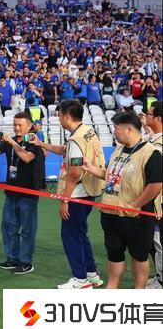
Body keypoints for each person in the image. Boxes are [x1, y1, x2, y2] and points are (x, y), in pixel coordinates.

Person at [81, 110, 162, 289]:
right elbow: (111, 175)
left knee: (139, 256)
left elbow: (156, 184)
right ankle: (112, 286)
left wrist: (136, 204)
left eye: (116, 128)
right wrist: (92, 168)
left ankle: (138, 291)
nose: (114, 132)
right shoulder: (118, 150)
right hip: (110, 213)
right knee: (114, 254)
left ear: (129, 130)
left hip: (136, 217)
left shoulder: (151, 153)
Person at [30, 100, 105, 289]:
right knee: (80, 233)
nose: (59, 118)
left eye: (60, 115)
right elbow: (65, 150)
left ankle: (80, 279)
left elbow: (74, 173)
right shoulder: (87, 131)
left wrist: (65, 200)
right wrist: (41, 144)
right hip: (89, 190)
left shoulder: (75, 139)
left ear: (67, 116)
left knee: (70, 235)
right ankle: (91, 274)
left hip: (78, 194)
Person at [0, 112, 45, 275]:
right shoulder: (9, 142)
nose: (16, 128)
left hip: (28, 192)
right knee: (8, 226)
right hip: (11, 191)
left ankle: (26, 262)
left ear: (29, 126)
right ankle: (12, 258)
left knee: (27, 230)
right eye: (14, 124)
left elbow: (26, 158)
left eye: (20, 125)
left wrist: (12, 143)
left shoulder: (34, 142)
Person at [144, 101, 162, 289]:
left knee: (158, 241)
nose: (145, 116)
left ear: (158, 118)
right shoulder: (152, 139)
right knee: (152, 239)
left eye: (148, 114)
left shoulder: (159, 145)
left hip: (158, 201)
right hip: (152, 199)